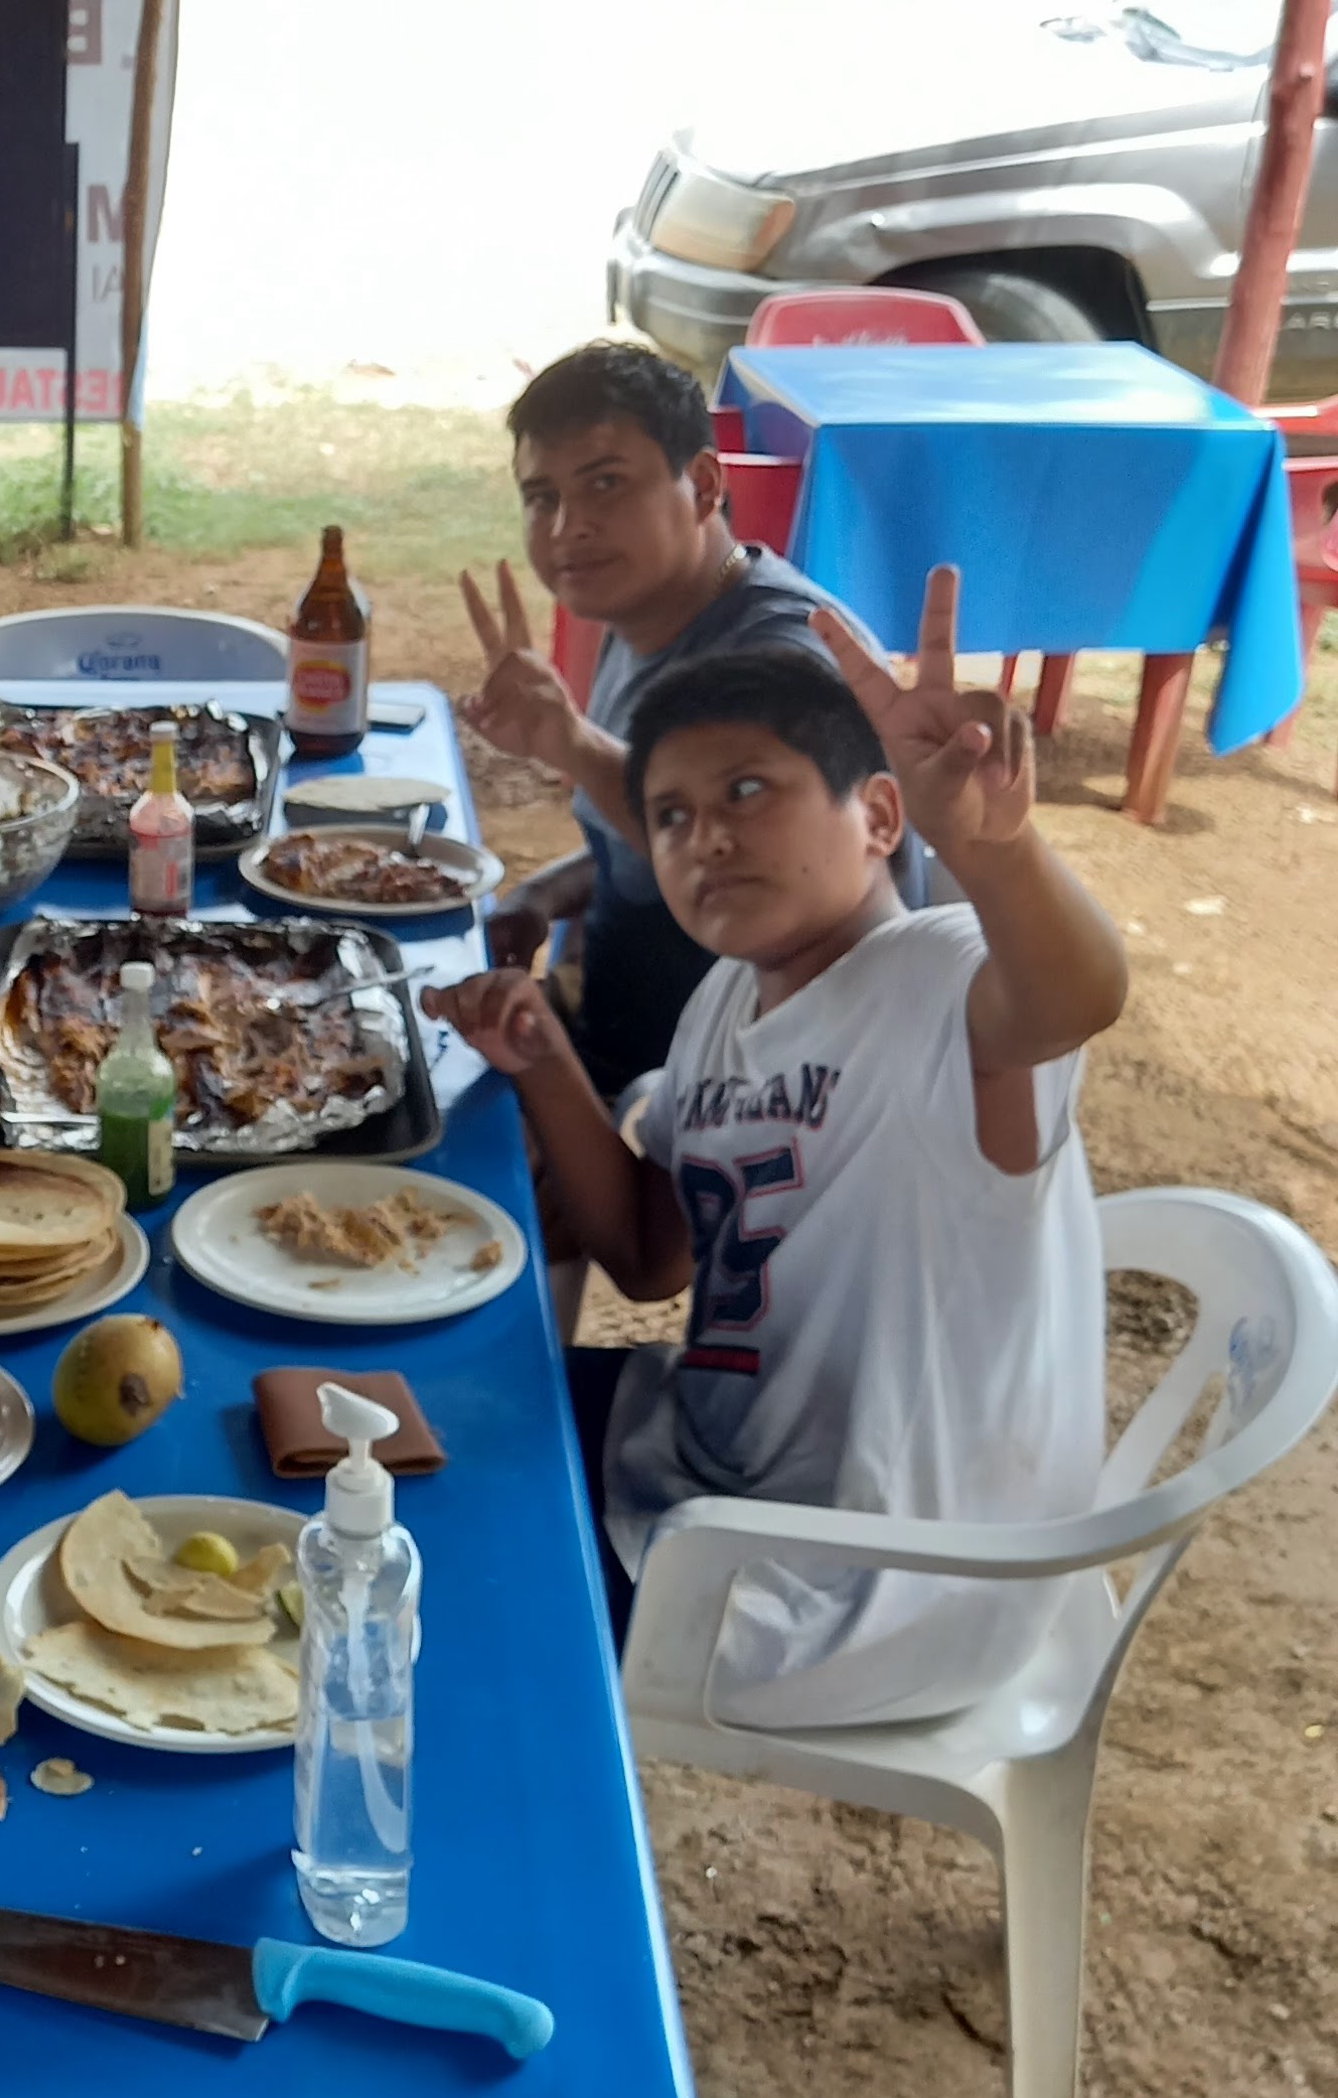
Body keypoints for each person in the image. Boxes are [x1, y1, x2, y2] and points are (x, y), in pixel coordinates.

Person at [425, 584, 1128, 1728]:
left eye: (749, 791)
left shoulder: (937, 977)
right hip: (715, 1473)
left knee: (431, 1590)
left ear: (882, 818)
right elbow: (652, 1255)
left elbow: (1074, 996)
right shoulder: (723, 1004)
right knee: (407, 1422)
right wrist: (543, 1057)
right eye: (669, 815)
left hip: (860, 1583)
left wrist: (995, 850)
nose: (707, 836)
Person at [457, 338, 917, 1098]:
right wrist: (540, 899)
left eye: (606, 483)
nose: (568, 526)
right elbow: (640, 845)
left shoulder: (787, 654)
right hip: (607, 1039)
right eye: (542, 497)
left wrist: (571, 743)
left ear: (704, 486)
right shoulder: (640, 613)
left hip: (734, 1099)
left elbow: (730, 853)